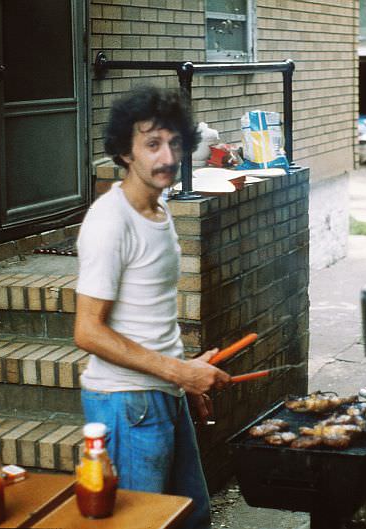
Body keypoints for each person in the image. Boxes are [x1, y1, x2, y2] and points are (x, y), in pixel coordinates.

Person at [73, 86, 231, 529]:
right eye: (152, 144)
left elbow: (148, 315)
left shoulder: (157, 208)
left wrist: (184, 379)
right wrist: (181, 373)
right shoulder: (110, 221)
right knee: (139, 525)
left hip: (164, 392)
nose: (167, 157)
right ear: (125, 152)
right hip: (126, 404)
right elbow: (87, 331)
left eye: (175, 143)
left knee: (190, 518)